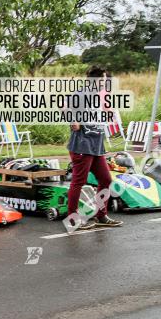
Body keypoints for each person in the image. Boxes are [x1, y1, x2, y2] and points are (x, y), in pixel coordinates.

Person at [66, 66, 123, 231]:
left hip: (97, 145)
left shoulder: (99, 96)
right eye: (103, 79)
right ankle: (73, 219)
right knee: (79, 181)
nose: (105, 82)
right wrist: (73, 121)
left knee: (106, 180)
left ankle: (101, 215)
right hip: (82, 146)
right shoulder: (81, 94)